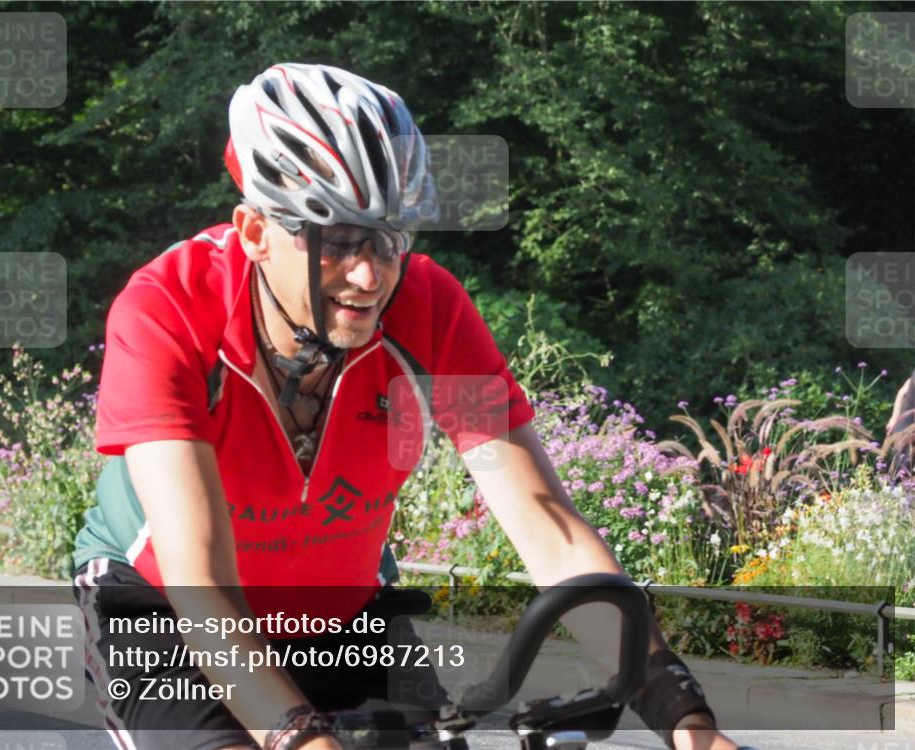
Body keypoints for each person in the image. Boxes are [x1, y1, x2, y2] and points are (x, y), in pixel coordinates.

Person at [71, 63, 746, 750]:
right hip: (165, 613)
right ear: (254, 233)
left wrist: (686, 719)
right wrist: (299, 738)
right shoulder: (166, 311)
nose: (370, 276)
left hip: (343, 620)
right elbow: (201, 582)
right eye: (336, 240)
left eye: (390, 237)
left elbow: (548, 528)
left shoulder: (428, 310)